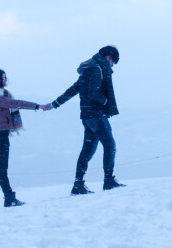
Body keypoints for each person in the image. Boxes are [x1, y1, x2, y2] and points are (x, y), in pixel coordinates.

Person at [46, 45, 125, 195]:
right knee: (110, 145)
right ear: (108, 57)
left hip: (87, 116)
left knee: (88, 150)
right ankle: (108, 181)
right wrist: (106, 103)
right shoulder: (97, 69)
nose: (112, 65)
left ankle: (78, 184)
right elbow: (93, 93)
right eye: (113, 61)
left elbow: (74, 89)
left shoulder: (88, 68)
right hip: (96, 114)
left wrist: (56, 103)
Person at [0, 67, 43, 212]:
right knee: (1, 169)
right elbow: (15, 103)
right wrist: (37, 106)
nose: (5, 80)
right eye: (3, 78)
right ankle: (8, 198)